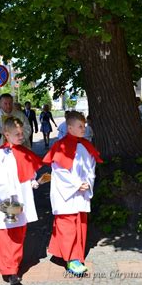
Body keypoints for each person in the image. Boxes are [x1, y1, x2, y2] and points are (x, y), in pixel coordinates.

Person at [0, 117, 43, 285]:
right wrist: (10, 200)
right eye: (17, 134)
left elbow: (28, 171)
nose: (21, 136)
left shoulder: (24, 152)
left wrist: (32, 180)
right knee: (5, 235)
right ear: (6, 134)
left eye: (22, 133)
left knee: (18, 233)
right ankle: (9, 270)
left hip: (22, 200)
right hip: (7, 202)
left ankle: (15, 264)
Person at [43, 111, 103, 275]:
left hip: (81, 192)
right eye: (80, 126)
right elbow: (59, 171)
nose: (84, 129)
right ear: (70, 128)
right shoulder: (61, 146)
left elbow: (91, 167)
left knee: (80, 224)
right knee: (67, 225)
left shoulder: (85, 145)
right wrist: (77, 184)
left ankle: (70, 254)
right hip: (67, 194)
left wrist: (88, 183)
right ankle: (72, 260)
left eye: (84, 126)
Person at [0, 93, 31, 171]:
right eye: (5, 103)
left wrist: (16, 136)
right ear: (0, 104)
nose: (8, 106)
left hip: (16, 150)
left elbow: (27, 129)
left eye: (10, 103)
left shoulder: (20, 115)